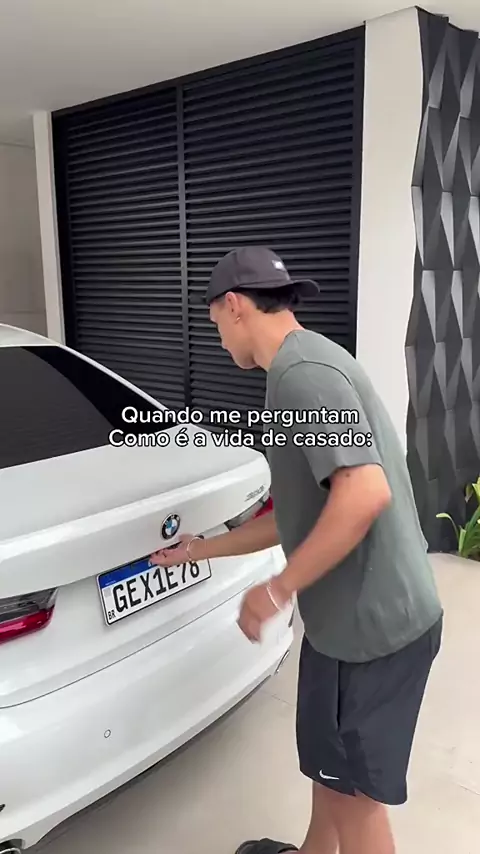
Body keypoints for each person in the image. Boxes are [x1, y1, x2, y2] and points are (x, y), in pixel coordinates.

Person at [150, 246, 443, 854]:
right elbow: (302, 514)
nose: (217, 338)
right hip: (346, 628)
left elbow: (363, 493)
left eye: (213, 321)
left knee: (357, 802)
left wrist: (276, 589)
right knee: (329, 773)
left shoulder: (302, 377)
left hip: (372, 635)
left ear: (234, 306)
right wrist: (204, 548)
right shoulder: (304, 364)